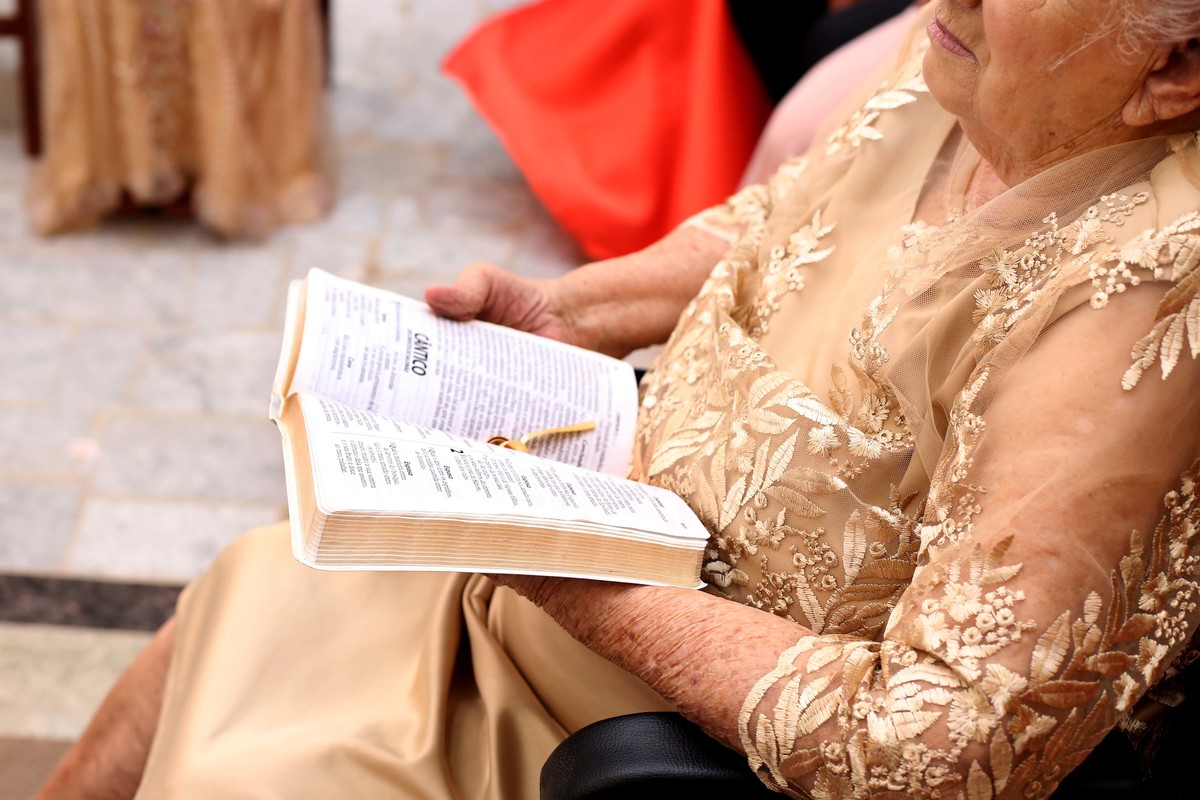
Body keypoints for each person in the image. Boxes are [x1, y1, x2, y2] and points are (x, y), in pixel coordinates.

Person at [36, 1, 1200, 797]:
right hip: (579, 563)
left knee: (247, 765)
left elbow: (936, 743)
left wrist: (570, 572)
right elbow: (783, 224)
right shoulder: (972, 64)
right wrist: (573, 309)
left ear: (1174, 71)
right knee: (244, 588)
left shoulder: (1141, 289)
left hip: (653, 724)